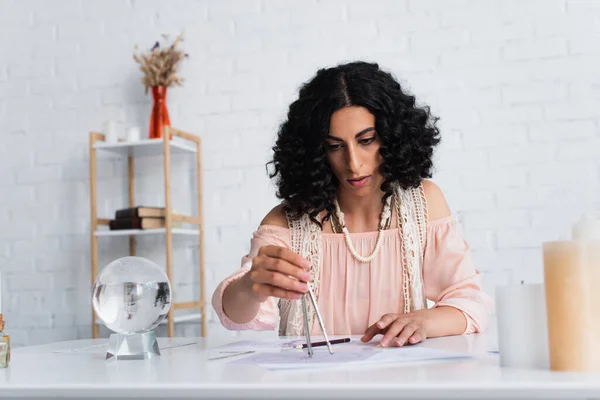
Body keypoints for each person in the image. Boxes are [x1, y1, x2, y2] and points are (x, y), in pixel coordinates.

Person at [212, 61, 493, 347]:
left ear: (393, 136)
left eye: (367, 140)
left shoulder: (423, 204)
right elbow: (235, 316)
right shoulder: (287, 222)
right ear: (316, 151)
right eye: (335, 146)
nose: (354, 164)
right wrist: (251, 288)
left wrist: (426, 321)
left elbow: (470, 303)